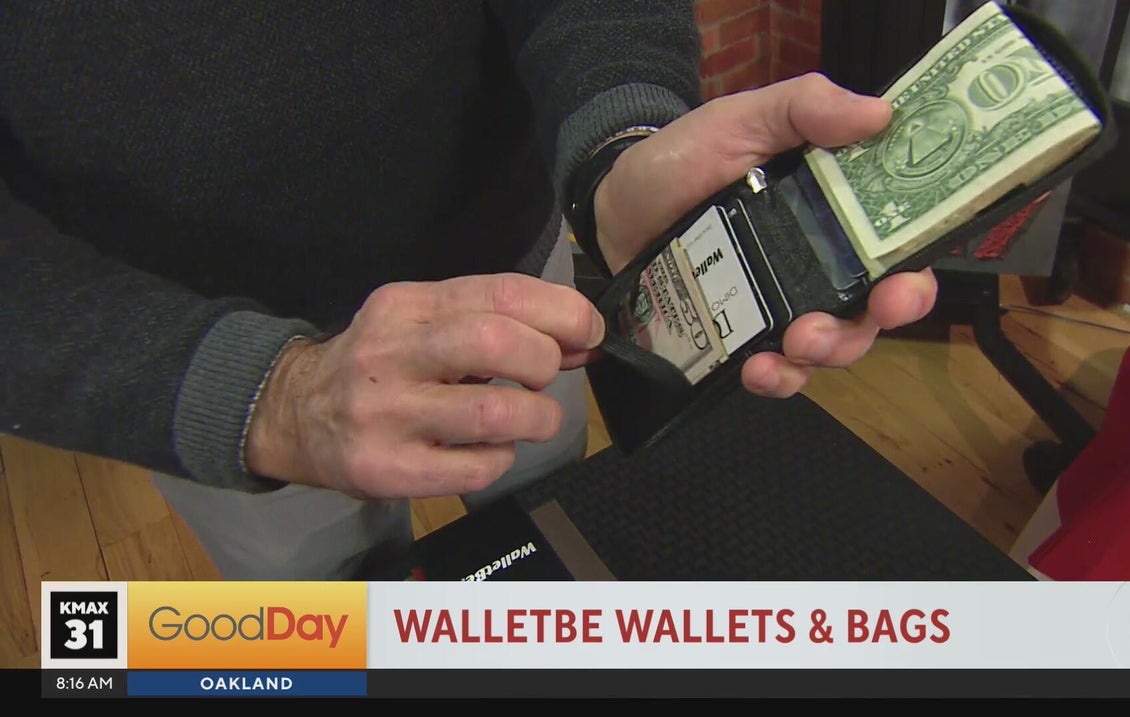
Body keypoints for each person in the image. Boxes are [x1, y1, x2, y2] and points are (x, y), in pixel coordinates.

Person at [0, 2, 938, 580]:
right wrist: (263, 395)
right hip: (214, 361)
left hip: (517, 286)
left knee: (551, 514)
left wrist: (619, 145)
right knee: (336, 622)